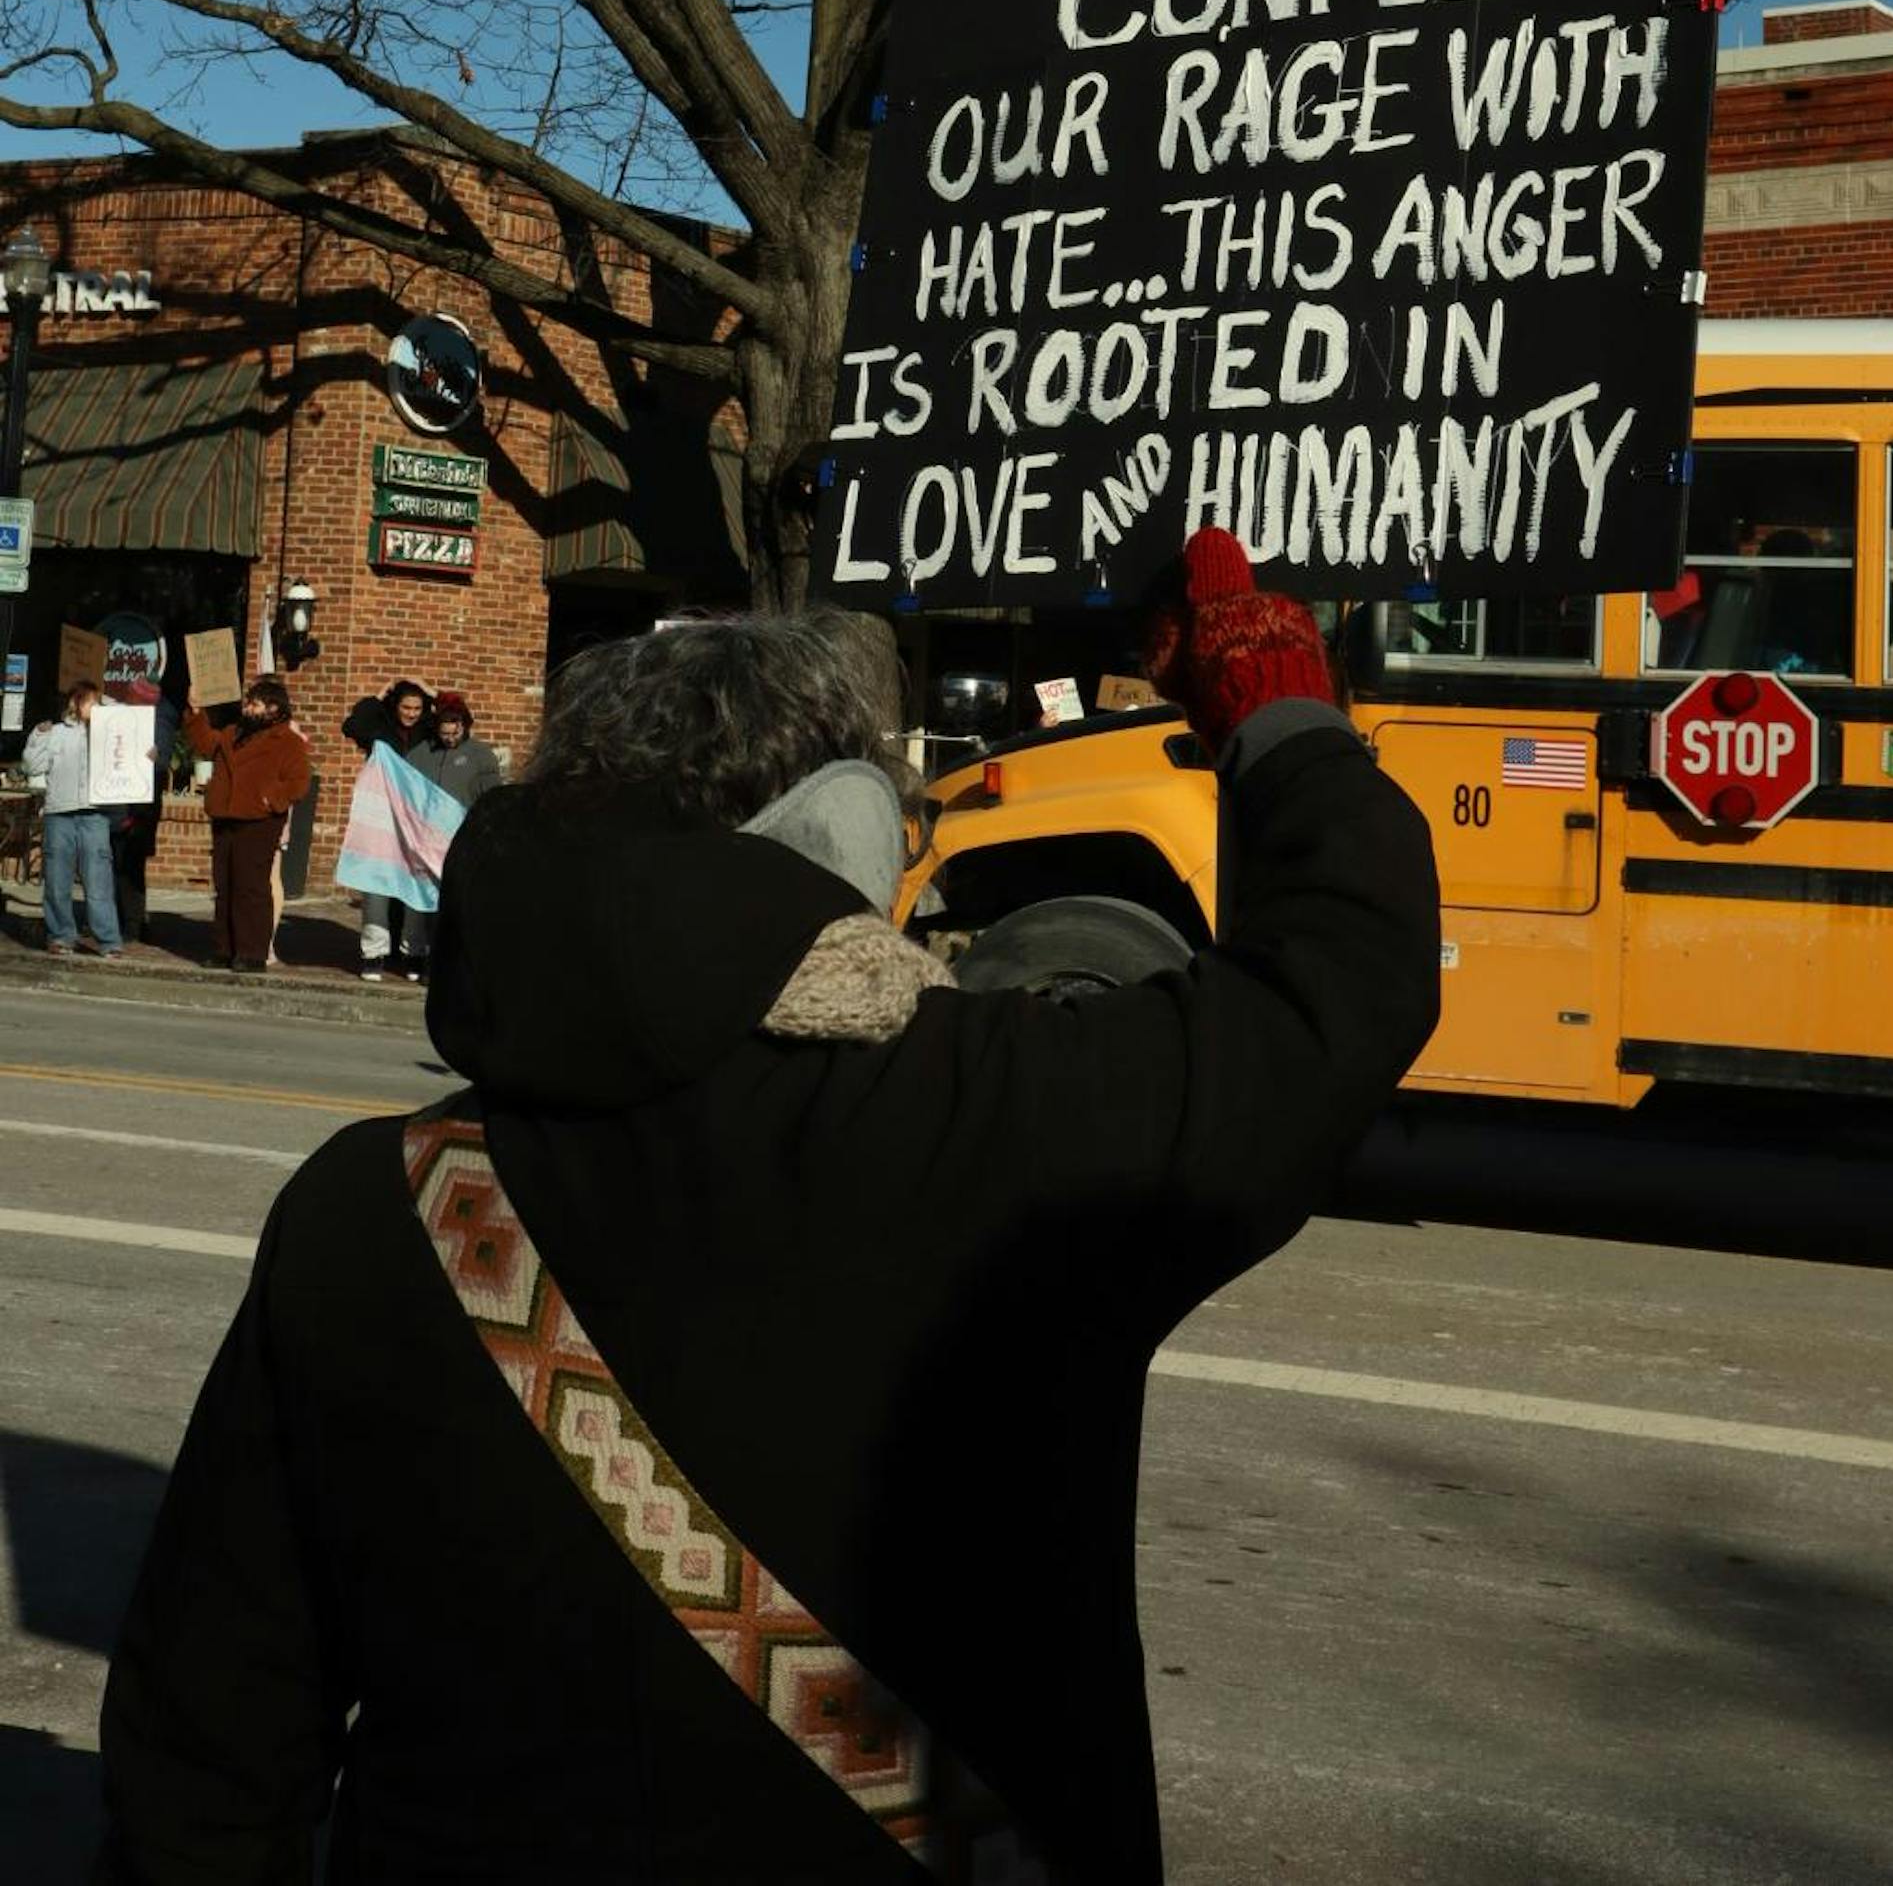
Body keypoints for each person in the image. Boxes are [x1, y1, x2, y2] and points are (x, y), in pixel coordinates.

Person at [97, 534, 1440, 1884]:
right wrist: (1280, 720)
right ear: (841, 832)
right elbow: (1340, 983)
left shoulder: (366, 1206)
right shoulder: (1005, 1125)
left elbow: (209, 1735)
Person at [186, 677, 313, 975]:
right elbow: (205, 743)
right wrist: (195, 710)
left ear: (272, 708)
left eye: (254, 703)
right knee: (226, 885)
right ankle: (224, 948)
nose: (248, 708)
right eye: (248, 702)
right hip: (226, 816)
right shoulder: (234, 733)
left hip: (259, 820)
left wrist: (271, 800)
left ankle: (252, 951)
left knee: (251, 888)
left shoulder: (287, 741)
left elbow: (299, 783)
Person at [24, 680, 125, 963]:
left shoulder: (109, 732)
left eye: (93, 701)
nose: (87, 705)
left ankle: (108, 940)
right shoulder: (54, 733)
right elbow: (32, 765)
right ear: (72, 702)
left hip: (94, 814)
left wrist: (104, 708)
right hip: (59, 814)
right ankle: (60, 936)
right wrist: (38, 736)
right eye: (83, 700)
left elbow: (131, 727)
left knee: (99, 881)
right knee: (57, 880)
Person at [341, 676, 435, 977]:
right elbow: (353, 725)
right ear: (396, 706)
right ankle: (374, 953)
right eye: (406, 707)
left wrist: (428, 689)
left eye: (418, 708)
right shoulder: (379, 729)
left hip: (417, 820)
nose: (411, 713)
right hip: (382, 819)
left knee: (417, 885)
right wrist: (379, 695)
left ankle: (414, 953)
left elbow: (456, 714)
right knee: (376, 885)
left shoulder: (427, 732)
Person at [103, 677, 179, 947]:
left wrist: (144, 755)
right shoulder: (131, 715)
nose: (126, 701)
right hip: (119, 800)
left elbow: (159, 762)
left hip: (139, 807)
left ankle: (132, 923)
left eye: (131, 698)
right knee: (115, 863)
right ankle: (117, 919)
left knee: (130, 866)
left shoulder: (159, 719)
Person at [414, 688, 504, 812]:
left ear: (464, 727)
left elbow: (494, 798)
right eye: (444, 734)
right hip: (429, 823)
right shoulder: (422, 751)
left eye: (455, 733)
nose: (450, 739)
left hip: (464, 823)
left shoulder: (481, 754)